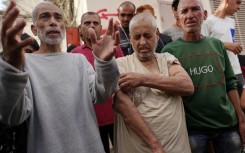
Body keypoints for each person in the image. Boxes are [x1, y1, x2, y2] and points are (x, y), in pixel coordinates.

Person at [0, 1, 120, 153]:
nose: (53, 22)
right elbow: (13, 116)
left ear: (64, 27)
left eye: (58, 18)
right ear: (34, 29)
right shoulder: (24, 64)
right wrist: (11, 69)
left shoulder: (78, 61)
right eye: (45, 17)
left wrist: (106, 63)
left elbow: (102, 93)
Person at [162, 0, 245, 152]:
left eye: (195, 9)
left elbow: (230, 83)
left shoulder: (217, 45)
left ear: (205, 14)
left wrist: (241, 119)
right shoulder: (169, 51)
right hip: (194, 129)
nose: (190, 15)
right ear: (178, 18)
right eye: (184, 11)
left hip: (226, 126)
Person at [113, 12, 194, 153]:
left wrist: (143, 79)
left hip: (176, 148)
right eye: (137, 37)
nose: (142, 42)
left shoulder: (167, 59)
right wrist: (154, 144)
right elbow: (121, 104)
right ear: (130, 38)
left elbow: (187, 86)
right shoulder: (121, 65)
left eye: (147, 36)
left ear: (157, 34)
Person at [71, 11, 124, 153]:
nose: (91, 26)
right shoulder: (74, 55)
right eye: (87, 23)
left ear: (101, 27)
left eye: (95, 23)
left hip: (117, 115)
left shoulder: (114, 48)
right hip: (91, 120)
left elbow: (123, 76)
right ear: (80, 28)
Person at [0, 33, 39, 153]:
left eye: (33, 54)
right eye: (26, 51)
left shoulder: (32, 72)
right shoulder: (4, 69)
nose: (28, 58)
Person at [201, 0, 244, 96]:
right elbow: (203, 46)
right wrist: (225, 45)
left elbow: (229, 40)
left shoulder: (231, 21)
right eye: (237, 2)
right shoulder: (207, 22)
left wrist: (234, 46)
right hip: (221, 73)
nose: (239, 7)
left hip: (237, 71)